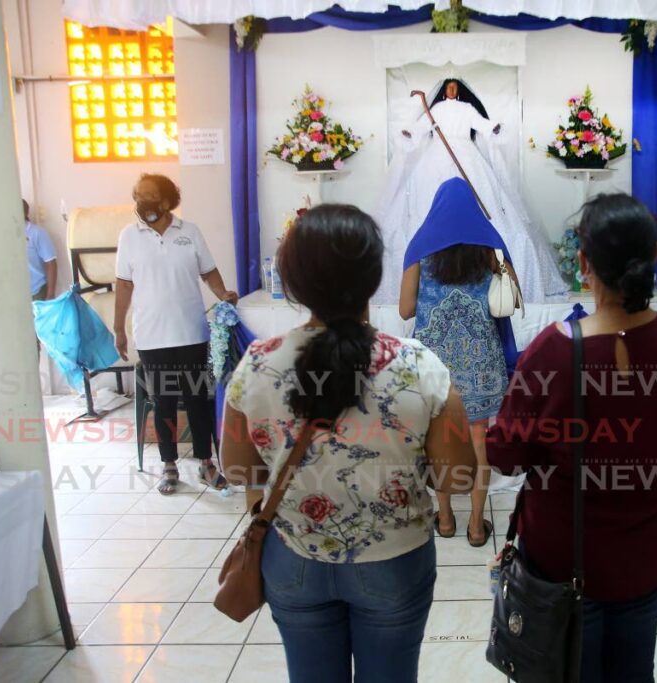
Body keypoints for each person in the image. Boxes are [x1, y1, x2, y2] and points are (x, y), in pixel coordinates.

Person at [220, 204, 478, 682]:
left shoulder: (256, 364)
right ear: (374, 276)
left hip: (294, 555)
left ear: (293, 281)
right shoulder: (418, 364)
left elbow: (238, 472)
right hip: (394, 561)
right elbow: (458, 479)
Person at [487, 194, 657, 683]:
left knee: (562, 668)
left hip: (562, 555)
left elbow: (506, 453)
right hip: (646, 551)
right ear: (655, 255)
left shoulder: (553, 349)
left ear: (583, 263)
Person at [399, 178, 518, 547]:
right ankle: (477, 527)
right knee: (479, 447)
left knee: (438, 445)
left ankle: (446, 519)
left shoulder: (420, 249)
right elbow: (510, 302)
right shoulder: (491, 248)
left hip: (433, 369)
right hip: (480, 363)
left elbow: (405, 310)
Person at [374, 78, 566, 304]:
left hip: (467, 155)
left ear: (460, 90)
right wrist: (410, 133)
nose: (452, 89)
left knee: (484, 200)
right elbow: (422, 127)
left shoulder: (466, 108)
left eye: (455, 86)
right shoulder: (435, 108)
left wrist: (491, 127)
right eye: (449, 86)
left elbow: (480, 123)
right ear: (445, 90)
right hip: (435, 158)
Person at [114, 174, 236, 495]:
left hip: (192, 333)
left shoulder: (189, 232)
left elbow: (208, 271)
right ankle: (169, 465)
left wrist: (223, 293)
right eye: (139, 196)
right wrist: (118, 328)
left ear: (167, 200)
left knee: (198, 400)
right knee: (163, 402)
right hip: (152, 337)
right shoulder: (129, 235)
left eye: (150, 196)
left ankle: (206, 463)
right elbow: (124, 284)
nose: (143, 203)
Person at [24, 199, 57, 302]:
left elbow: (51, 262)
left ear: (25, 213)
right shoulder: (5, 235)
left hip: (37, 292)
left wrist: (50, 294)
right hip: (15, 293)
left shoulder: (36, 233)